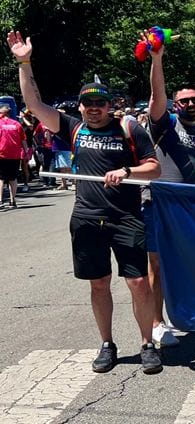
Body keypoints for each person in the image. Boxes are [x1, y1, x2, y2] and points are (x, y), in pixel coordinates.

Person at [7, 31, 163, 374]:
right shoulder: (73, 129)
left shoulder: (128, 128)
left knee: (138, 282)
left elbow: (154, 168)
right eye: (88, 104)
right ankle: (107, 344)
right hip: (87, 218)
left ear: (110, 105)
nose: (94, 109)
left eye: (100, 103)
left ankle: (148, 342)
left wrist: (127, 170)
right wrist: (24, 62)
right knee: (99, 283)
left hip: (127, 217)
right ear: (80, 107)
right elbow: (34, 104)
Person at [142, 38, 195, 348]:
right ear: (175, 105)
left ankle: (186, 314)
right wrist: (158, 61)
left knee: (182, 263)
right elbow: (157, 97)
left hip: (188, 207)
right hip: (157, 202)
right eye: (184, 101)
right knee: (156, 264)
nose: (190, 105)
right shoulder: (164, 123)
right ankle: (157, 323)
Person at [0, 103, 26, 208]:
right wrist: (26, 152)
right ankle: (13, 201)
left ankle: (0, 201)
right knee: (13, 178)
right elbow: (23, 140)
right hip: (15, 155)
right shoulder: (17, 124)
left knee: (1, 178)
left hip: (1, 154)